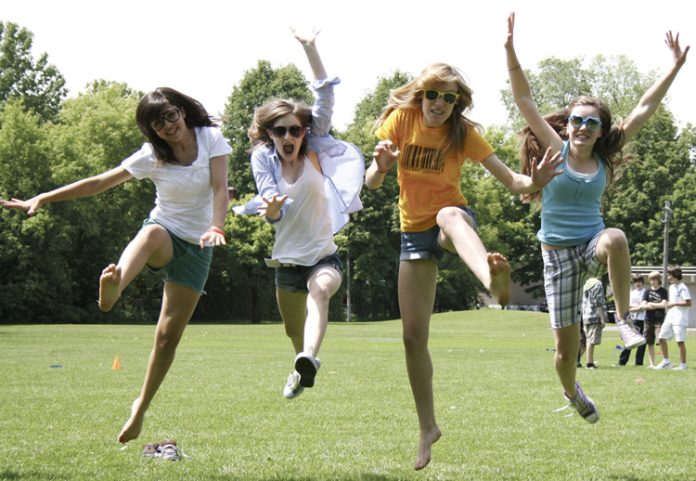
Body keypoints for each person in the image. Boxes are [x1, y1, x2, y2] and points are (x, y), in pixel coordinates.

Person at [1, 87, 231, 443]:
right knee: (152, 234)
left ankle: (139, 409)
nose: (168, 126)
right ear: (151, 130)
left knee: (168, 338)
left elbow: (220, 188)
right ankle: (114, 288)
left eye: (171, 115)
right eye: (158, 123)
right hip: (166, 231)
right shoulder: (151, 156)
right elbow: (98, 184)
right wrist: (44, 197)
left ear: (182, 111)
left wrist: (217, 226)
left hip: (200, 246)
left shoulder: (211, 138)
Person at [364, 61, 561, 469]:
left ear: (458, 103)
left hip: (453, 221)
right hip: (411, 234)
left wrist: (537, 180)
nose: (439, 103)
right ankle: (427, 427)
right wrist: (382, 166)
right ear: (421, 96)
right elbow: (372, 182)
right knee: (412, 339)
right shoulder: (402, 120)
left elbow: (513, 182)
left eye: (449, 97)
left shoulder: (463, 134)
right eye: (432, 94)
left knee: (447, 217)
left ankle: (492, 279)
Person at [505, 12, 688, 422]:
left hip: (592, 243)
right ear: (567, 127)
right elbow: (524, 100)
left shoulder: (603, 155)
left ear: (600, 129)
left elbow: (645, 107)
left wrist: (673, 68)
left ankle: (623, 320)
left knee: (617, 237)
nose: (584, 127)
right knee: (564, 352)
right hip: (556, 257)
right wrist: (510, 50)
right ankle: (572, 392)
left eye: (592, 122)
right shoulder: (556, 147)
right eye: (577, 121)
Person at [240, 28, 363, 400]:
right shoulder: (263, 158)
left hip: (323, 257)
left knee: (321, 291)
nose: (289, 135)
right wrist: (273, 212)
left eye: (295, 129)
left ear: (303, 130)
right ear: (270, 134)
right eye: (280, 131)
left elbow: (324, 95)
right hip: (286, 263)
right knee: (294, 330)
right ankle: (301, 363)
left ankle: (310, 356)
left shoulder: (313, 148)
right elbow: (269, 204)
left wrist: (311, 49)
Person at [655, 266, 691, 370]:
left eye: (669, 275)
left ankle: (683, 365)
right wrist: (668, 304)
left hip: (680, 318)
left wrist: (673, 304)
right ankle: (666, 362)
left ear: (675, 276)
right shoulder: (671, 287)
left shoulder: (683, 287)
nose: (667, 277)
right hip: (670, 317)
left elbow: (688, 302)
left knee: (680, 341)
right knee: (661, 338)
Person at [618, 274, 647, 366]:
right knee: (630, 340)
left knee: (642, 341)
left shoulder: (645, 292)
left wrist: (639, 307)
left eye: (639, 281)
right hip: (632, 319)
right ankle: (622, 361)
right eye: (636, 282)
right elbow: (628, 306)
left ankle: (639, 362)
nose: (638, 284)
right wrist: (638, 308)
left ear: (642, 282)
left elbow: (645, 306)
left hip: (643, 319)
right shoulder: (631, 293)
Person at [642, 270, 668, 368]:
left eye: (654, 279)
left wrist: (651, 304)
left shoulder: (663, 291)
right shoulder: (647, 291)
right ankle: (652, 364)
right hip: (648, 319)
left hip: (660, 319)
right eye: (651, 279)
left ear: (658, 280)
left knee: (661, 340)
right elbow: (644, 305)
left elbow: (664, 304)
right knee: (650, 342)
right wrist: (656, 305)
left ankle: (665, 362)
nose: (652, 281)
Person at [580, 278, 608, 369]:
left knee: (587, 340)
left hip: (586, 316)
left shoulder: (586, 283)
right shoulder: (597, 284)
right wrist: (602, 318)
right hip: (595, 316)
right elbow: (598, 302)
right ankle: (589, 363)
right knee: (591, 341)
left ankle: (582, 361)